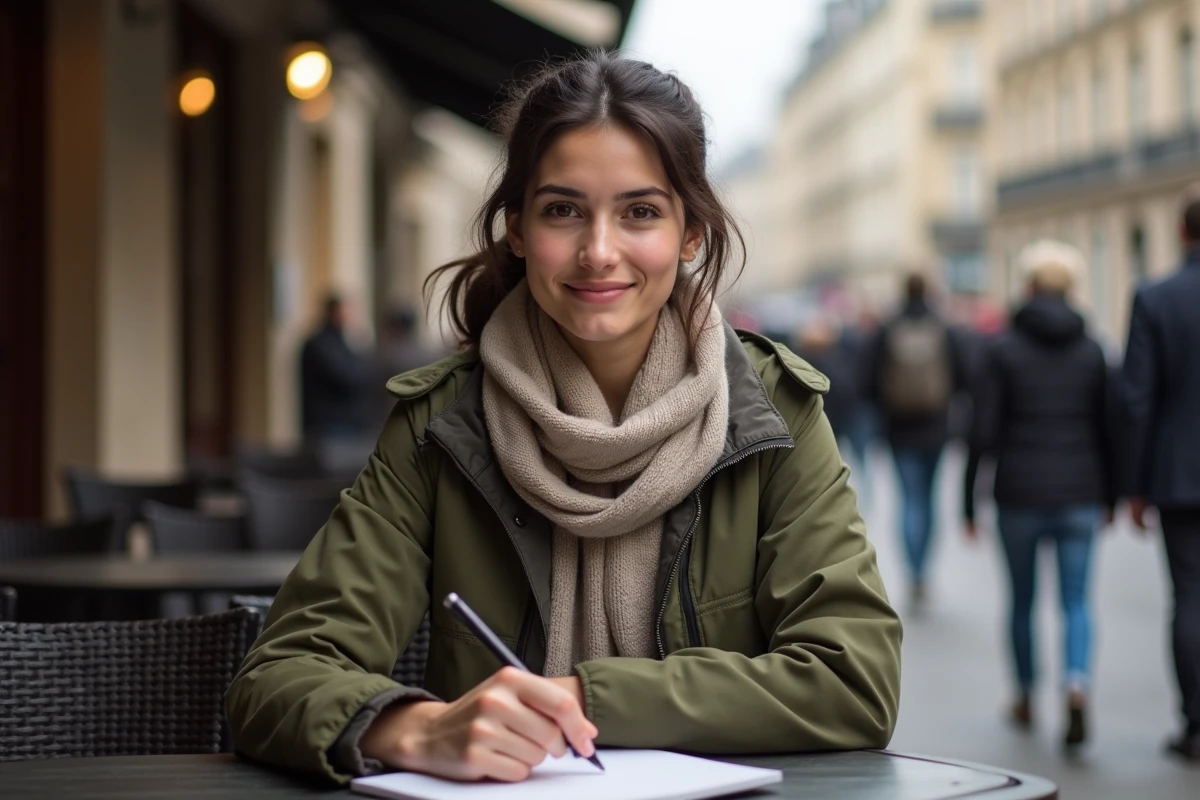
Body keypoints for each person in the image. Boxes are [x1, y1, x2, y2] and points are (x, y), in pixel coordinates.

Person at [225, 52, 902, 785]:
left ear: (691, 234)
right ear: (517, 228)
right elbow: (276, 678)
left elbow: (853, 680)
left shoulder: (771, 414)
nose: (599, 251)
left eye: (640, 212)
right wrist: (414, 728)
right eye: (563, 210)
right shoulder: (441, 425)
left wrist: (582, 698)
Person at [963, 241, 1117, 749]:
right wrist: (1112, 495)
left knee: (1022, 602)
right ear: (1071, 288)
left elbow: (982, 431)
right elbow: (1108, 427)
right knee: (1076, 600)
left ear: (1026, 287)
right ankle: (1076, 684)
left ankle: (1026, 694)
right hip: (1080, 491)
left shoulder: (1002, 349)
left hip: (1020, 493)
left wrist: (969, 500)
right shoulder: (1093, 348)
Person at [1121, 192, 1200, 762]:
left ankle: (1195, 725)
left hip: (1179, 472)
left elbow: (1137, 399)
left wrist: (1136, 484)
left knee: (1190, 597)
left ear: (1180, 232)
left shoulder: (1155, 297)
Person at [866, 273, 970, 606]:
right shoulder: (943, 327)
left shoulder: (888, 327)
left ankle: (912, 571)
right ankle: (924, 569)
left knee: (909, 499)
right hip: (936, 427)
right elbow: (962, 376)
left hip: (899, 428)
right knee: (929, 498)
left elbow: (869, 379)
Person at [300, 294, 372, 438]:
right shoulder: (320, 344)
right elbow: (348, 376)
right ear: (333, 312)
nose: (349, 316)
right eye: (345, 311)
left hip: (343, 423)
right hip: (329, 425)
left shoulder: (340, 341)